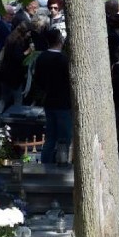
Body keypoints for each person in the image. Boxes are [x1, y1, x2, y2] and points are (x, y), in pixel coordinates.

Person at [33, 29, 72, 164]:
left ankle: (46, 162)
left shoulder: (41, 57)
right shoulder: (63, 60)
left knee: (50, 136)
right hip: (63, 102)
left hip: (49, 101)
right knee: (64, 136)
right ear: (59, 40)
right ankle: (63, 161)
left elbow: (37, 80)